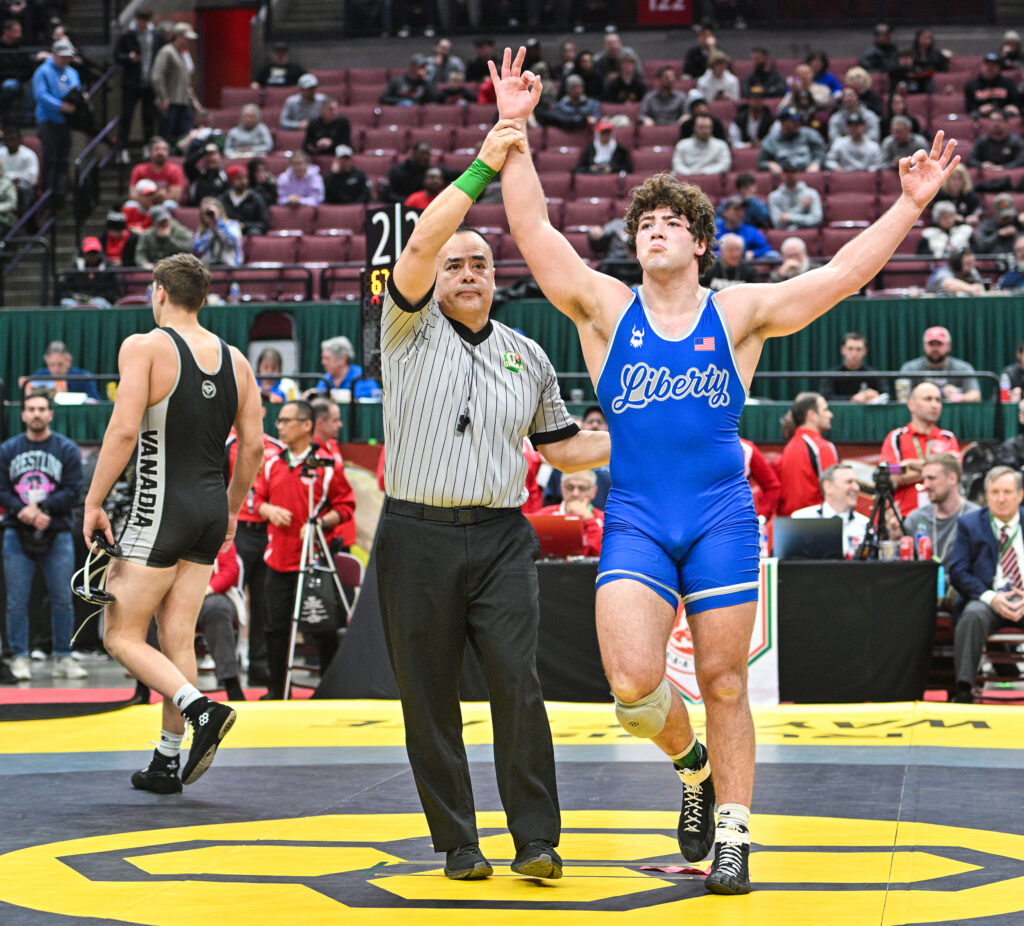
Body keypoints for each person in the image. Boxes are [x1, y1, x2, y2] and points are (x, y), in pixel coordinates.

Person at [492, 43, 958, 894]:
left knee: (724, 678)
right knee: (634, 688)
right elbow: (534, 232)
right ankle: (693, 766)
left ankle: (735, 833)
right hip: (634, 512)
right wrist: (513, 126)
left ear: (701, 242)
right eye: (643, 224)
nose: (653, 230)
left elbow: (843, 275)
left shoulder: (738, 313)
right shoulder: (604, 308)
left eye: (669, 222)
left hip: (717, 516)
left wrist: (909, 205)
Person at [377, 116, 610, 884]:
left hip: (503, 540)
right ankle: (458, 844)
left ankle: (537, 840)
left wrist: (648, 436)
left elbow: (566, 450)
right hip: (416, 536)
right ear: (434, 279)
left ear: (495, 276)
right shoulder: (404, 330)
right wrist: (482, 165)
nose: (467, 273)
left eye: (479, 262)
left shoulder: (529, 354)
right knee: (428, 696)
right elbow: (418, 243)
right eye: (454, 266)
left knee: (518, 683)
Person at [81, 253, 264, 793]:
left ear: (159, 291)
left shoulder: (144, 347)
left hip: (161, 509)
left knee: (120, 634)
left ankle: (200, 709)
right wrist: (231, 509)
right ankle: (166, 759)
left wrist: (94, 502)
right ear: (202, 297)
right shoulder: (237, 362)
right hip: (210, 510)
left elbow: (122, 432)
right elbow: (252, 447)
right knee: (176, 632)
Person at [252, 399, 355, 700]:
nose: (279, 426)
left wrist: (320, 522)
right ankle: (276, 689)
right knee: (274, 628)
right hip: (278, 560)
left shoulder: (327, 464)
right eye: (279, 421)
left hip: (314, 561)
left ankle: (328, 689)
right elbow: (256, 501)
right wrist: (269, 510)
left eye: (285, 420)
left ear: (306, 425)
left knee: (322, 625)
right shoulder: (271, 463)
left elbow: (346, 506)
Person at [0, 392, 85, 682]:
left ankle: (63, 656)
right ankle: (20, 658)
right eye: (31, 409)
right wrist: (21, 510)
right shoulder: (8, 450)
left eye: (41, 409)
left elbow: (75, 490)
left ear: (50, 414)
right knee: (16, 599)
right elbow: (1, 489)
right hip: (16, 530)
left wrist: (44, 508)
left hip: (57, 530)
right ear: (22, 414)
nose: (36, 413)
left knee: (62, 597)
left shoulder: (67, 449)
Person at [948, 466, 1024, 702]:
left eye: (1007, 492)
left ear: (1020, 495)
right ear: (986, 495)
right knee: (972, 616)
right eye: (995, 492)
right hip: (989, 599)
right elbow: (958, 571)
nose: (1001, 499)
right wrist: (991, 597)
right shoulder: (970, 524)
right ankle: (963, 690)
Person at [225, 414, 284, 687]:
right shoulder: (225, 446)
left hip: (268, 531)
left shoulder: (275, 448)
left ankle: (259, 664)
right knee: (231, 595)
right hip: (237, 530)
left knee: (262, 599)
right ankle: (227, 661)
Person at [894, 453, 978, 606]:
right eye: (924, 478)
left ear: (952, 478)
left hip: (962, 594)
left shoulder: (976, 518)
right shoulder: (915, 518)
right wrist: (894, 539)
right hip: (919, 595)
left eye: (931, 478)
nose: (925, 484)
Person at [879, 381, 961, 518]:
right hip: (905, 516)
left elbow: (955, 471)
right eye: (928, 399)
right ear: (911, 405)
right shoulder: (897, 437)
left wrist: (910, 464)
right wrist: (938, 473)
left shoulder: (947, 437)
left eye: (938, 400)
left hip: (942, 516)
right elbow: (891, 472)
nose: (935, 405)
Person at [195, 541, 246, 701]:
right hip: (175, 596)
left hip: (212, 593)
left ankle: (231, 681)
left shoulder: (221, 530)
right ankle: (144, 686)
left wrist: (205, 590)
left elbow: (230, 571)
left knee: (217, 610)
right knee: (149, 609)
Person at [32, 37, 80, 203]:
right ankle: (47, 196)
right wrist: (60, 106)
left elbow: (77, 91)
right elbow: (41, 95)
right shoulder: (43, 71)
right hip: (49, 121)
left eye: (68, 57)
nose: (66, 60)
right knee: (50, 159)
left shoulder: (72, 73)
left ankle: (60, 195)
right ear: (54, 55)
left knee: (64, 160)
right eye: (63, 56)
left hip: (67, 123)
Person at [775, 392, 838, 515]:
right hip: (818, 526)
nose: (830, 415)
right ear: (811, 415)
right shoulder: (823, 448)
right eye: (825, 410)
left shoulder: (788, 448)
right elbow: (834, 491)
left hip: (789, 525)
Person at [791, 462, 869, 555]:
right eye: (849, 482)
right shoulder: (800, 520)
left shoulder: (865, 525)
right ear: (828, 487)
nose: (856, 488)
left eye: (856, 482)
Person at [900, 326, 982, 403]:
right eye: (931, 344)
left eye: (939, 344)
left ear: (949, 346)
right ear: (924, 346)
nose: (935, 349)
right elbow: (902, 397)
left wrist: (958, 397)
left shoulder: (963, 368)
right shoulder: (910, 368)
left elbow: (976, 396)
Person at [114, 9, 159, 145]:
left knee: (148, 116)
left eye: (145, 20)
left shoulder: (155, 35)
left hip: (149, 82)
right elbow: (116, 56)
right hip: (131, 82)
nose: (142, 23)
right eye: (140, 20)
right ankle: (122, 146)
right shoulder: (127, 35)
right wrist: (129, 57)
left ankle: (148, 145)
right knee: (127, 115)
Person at [536, 469, 604, 556]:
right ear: (561, 488)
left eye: (582, 488)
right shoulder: (542, 516)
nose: (575, 493)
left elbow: (608, 556)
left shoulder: (606, 519)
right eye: (569, 487)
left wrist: (590, 521)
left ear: (593, 491)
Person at [151, 22, 198, 141]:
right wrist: (163, 97)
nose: (189, 41)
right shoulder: (167, 51)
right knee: (166, 138)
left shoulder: (182, 53)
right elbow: (157, 75)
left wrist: (193, 100)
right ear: (178, 36)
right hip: (169, 103)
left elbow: (185, 81)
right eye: (186, 38)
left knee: (184, 138)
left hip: (183, 102)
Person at [820, 331, 885, 403]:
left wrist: (876, 396)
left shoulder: (873, 374)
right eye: (850, 349)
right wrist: (852, 399)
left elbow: (886, 396)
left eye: (858, 349)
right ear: (842, 350)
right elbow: (825, 397)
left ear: (865, 351)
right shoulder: (832, 374)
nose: (854, 354)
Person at [57, 235, 122, 307]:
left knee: (100, 302)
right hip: (77, 301)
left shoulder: (109, 269)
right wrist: (75, 296)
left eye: (95, 253)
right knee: (66, 303)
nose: (92, 256)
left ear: (100, 253)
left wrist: (95, 298)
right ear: (84, 254)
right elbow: (65, 289)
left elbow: (115, 292)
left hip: (101, 302)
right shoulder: (75, 268)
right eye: (89, 253)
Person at [26, 339, 100, 401]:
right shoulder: (38, 377)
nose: (56, 369)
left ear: (69, 361)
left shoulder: (84, 377)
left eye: (60, 364)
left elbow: (95, 402)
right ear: (46, 363)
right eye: (52, 365)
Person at [757, 108, 824, 175]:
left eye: (798, 120)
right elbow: (761, 163)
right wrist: (770, 164)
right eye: (793, 121)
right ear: (783, 123)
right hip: (785, 179)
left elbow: (821, 153)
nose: (797, 123)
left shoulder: (810, 134)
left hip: (808, 175)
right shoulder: (770, 140)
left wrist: (816, 163)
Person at [315, 335, 379, 400]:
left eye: (327, 358)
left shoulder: (363, 377)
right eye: (323, 358)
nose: (323, 362)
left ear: (342, 359)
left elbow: (366, 400)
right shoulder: (325, 379)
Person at [130, 136, 186, 204]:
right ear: (149, 152)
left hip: (164, 204)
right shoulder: (139, 170)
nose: (160, 152)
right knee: (130, 204)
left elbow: (176, 196)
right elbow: (132, 195)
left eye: (164, 149)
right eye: (156, 149)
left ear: (168, 153)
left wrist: (148, 196)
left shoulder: (175, 170)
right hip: (143, 204)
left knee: (169, 204)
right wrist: (157, 196)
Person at [767, 161, 822, 229]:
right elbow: (778, 224)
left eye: (793, 172)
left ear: (798, 174)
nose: (790, 175)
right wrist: (800, 207)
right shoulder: (773, 196)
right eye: (787, 172)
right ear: (782, 174)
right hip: (784, 234)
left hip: (805, 233)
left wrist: (790, 217)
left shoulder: (811, 193)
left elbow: (816, 219)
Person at [192, 196, 242, 268]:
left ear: (219, 211)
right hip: (207, 268)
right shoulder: (201, 230)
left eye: (210, 212)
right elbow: (198, 250)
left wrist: (217, 224)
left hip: (229, 268)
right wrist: (211, 230)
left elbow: (230, 242)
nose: (208, 215)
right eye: (204, 213)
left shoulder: (232, 225)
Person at [220, 164, 270, 236]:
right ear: (231, 180)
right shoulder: (223, 199)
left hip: (249, 233)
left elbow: (264, 223)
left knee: (255, 232)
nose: (243, 181)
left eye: (245, 178)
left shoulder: (256, 198)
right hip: (227, 234)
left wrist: (245, 225)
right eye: (238, 178)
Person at [964, 54, 1019, 118]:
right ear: (982, 66)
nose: (990, 68)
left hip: (1003, 115)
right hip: (982, 114)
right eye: (988, 65)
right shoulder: (971, 85)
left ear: (998, 67)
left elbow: (1015, 101)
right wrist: (980, 109)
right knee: (973, 115)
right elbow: (969, 107)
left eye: (994, 65)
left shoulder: (1008, 83)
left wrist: (1012, 107)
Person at [0, 124, 38, 214]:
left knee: (22, 192)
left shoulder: (29, 155)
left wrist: (9, 176)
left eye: (13, 140)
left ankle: (22, 223)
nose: (10, 143)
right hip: (4, 186)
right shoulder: (1, 152)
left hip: (23, 187)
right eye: (7, 140)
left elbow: (32, 179)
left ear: (19, 140)